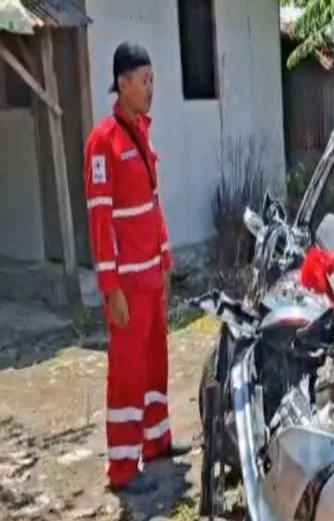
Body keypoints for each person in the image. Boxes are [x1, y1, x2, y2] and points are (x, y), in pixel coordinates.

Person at [83, 41, 191, 495]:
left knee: (153, 364)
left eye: (152, 80)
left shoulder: (142, 134)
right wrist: (111, 288)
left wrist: (166, 261)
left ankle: (156, 442)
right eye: (144, 81)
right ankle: (123, 469)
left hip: (151, 277)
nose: (151, 89)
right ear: (122, 83)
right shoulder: (103, 143)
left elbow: (152, 205)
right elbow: (101, 220)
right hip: (126, 284)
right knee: (127, 374)